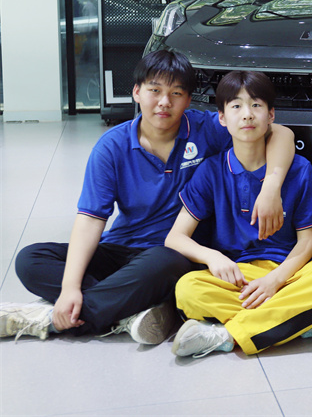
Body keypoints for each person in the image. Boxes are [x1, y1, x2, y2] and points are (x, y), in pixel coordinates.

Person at [2, 50, 295, 345]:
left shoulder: (206, 129)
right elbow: (90, 220)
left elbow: (280, 132)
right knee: (30, 259)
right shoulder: (112, 146)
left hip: (173, 255)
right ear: (137, 92)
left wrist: (271, 186)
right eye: (155, 90)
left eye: (176, 93)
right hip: (121, 248)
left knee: (163, 262)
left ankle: (50, 319)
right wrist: (69, 288)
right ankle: (130, 308)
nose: (164, 102)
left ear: (188, 100)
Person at [165, 70, 312, 358]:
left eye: (256, 105)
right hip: (240, 276)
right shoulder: (211, 170)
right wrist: (213, 257)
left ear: (271, 115)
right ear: (222, 118)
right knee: (187, 290)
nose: (247, 114)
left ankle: (227, 335)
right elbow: (175, 237)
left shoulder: (298, 169)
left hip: (292, 272)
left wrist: (275, 281)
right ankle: (308, 320)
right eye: (236, 106)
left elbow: (307, 241)